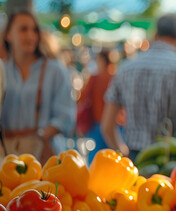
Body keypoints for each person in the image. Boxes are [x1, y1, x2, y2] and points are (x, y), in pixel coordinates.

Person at [102, 14, 176, 160]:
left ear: (155, 35)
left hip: (134, 162)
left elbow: (106, 126)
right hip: (171, 163)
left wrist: (124, 155)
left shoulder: (126, 68)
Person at [0, 9, 75, 162]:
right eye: (23, 29)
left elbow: (66, 116)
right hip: (6, 154)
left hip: (44, 153)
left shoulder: (55, 70)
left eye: (34, 30)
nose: (30, 35)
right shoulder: (2, 70)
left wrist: (39, 136)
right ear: (8, 35)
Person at [77, 49, 117, 163]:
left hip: (97, 122)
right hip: (116, 124)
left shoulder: (95, 78)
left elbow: (82, 97)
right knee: (114, 160)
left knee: (96, 161)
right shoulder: (116, 76)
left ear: (102, 60)